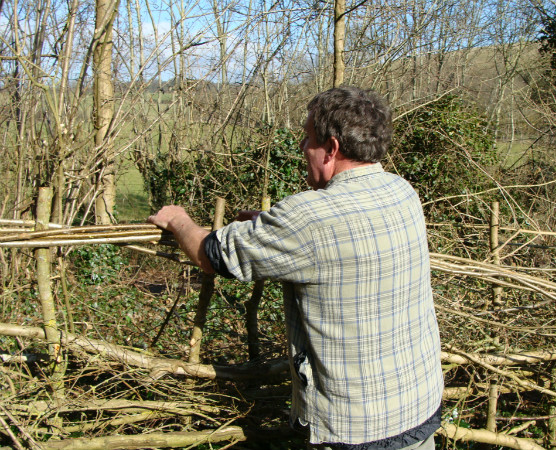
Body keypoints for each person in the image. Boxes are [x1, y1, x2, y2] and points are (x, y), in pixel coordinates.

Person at [148, 86, 444, 449]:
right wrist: (268, 228)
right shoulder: (401, 191)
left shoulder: (307, 218)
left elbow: (211, 254)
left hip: (357, 430)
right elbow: (340, 243)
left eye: (308, 139)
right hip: (418, 409)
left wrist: (178, 221)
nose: (303, 148)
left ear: (331, 149)